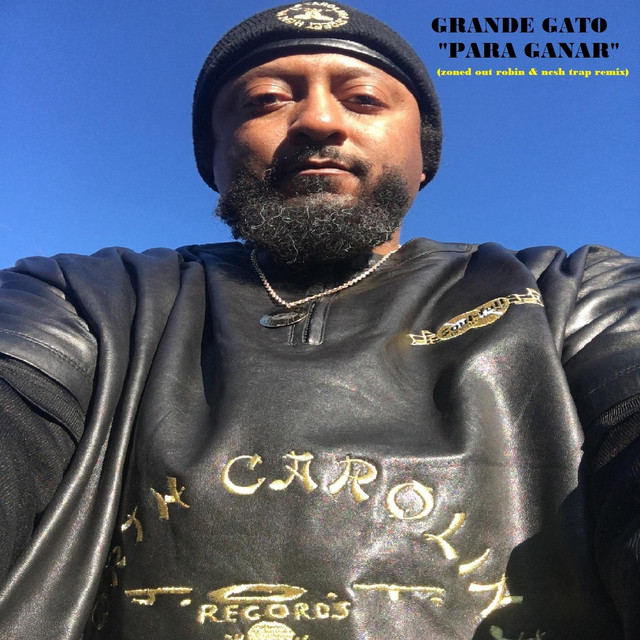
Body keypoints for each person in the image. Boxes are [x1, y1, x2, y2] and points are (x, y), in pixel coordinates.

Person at [0, 3, 638, 639]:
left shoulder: (570, 295)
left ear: (423, 159)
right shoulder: (84, 297)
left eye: (363, 99)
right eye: (266, 100)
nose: (318, 120)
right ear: (212, 158)